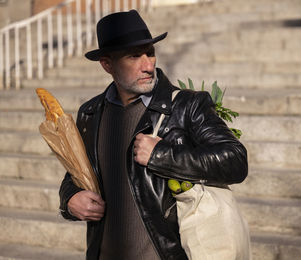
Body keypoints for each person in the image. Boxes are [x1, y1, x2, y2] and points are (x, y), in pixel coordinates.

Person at [59, 10, 248, 260]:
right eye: (134, 56)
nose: (148, 65)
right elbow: (76, 172)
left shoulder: (186, 106)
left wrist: (162, 155)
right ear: (107, 64)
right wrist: (70, 199)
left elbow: (235, 160)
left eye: (150, 52)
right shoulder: (91, 112)